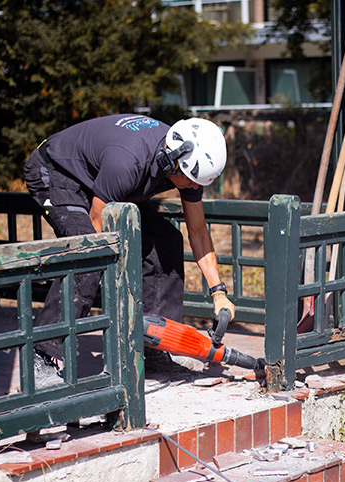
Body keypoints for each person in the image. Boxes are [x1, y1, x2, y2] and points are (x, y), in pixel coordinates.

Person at [23, 114, 234, 384]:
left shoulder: (186, 161)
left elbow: (198, 230)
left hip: (102, 180)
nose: (195, 187)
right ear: (172, 162)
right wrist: (106, 281)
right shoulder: (129, 162)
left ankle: (154, 344)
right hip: (58, 172)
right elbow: (98, 228)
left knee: (166, 241)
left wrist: (218, 292)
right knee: (88, 254)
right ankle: (43, 355)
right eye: (192, 180)